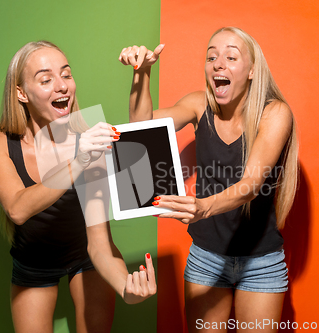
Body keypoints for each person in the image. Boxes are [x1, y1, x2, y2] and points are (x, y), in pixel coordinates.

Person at [119, 27, 298, 332]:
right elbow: (140, 128)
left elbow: (250, 184)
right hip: (206, 258)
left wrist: (202, 208)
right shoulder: (198, 105)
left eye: (231, 56)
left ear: (252, 70)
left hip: (261, 262)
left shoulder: (275, 113)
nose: (218, 63)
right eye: (211, 56)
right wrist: (142, 73)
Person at [0, 41, 156, 333]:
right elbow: (17, 209)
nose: (62, 86)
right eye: (46, 79)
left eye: (66, 74)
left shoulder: (88, 138)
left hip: (85, 257)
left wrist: (127, 288)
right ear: (21, 93)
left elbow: (98, 243)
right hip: (32, 262)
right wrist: (79, 160)